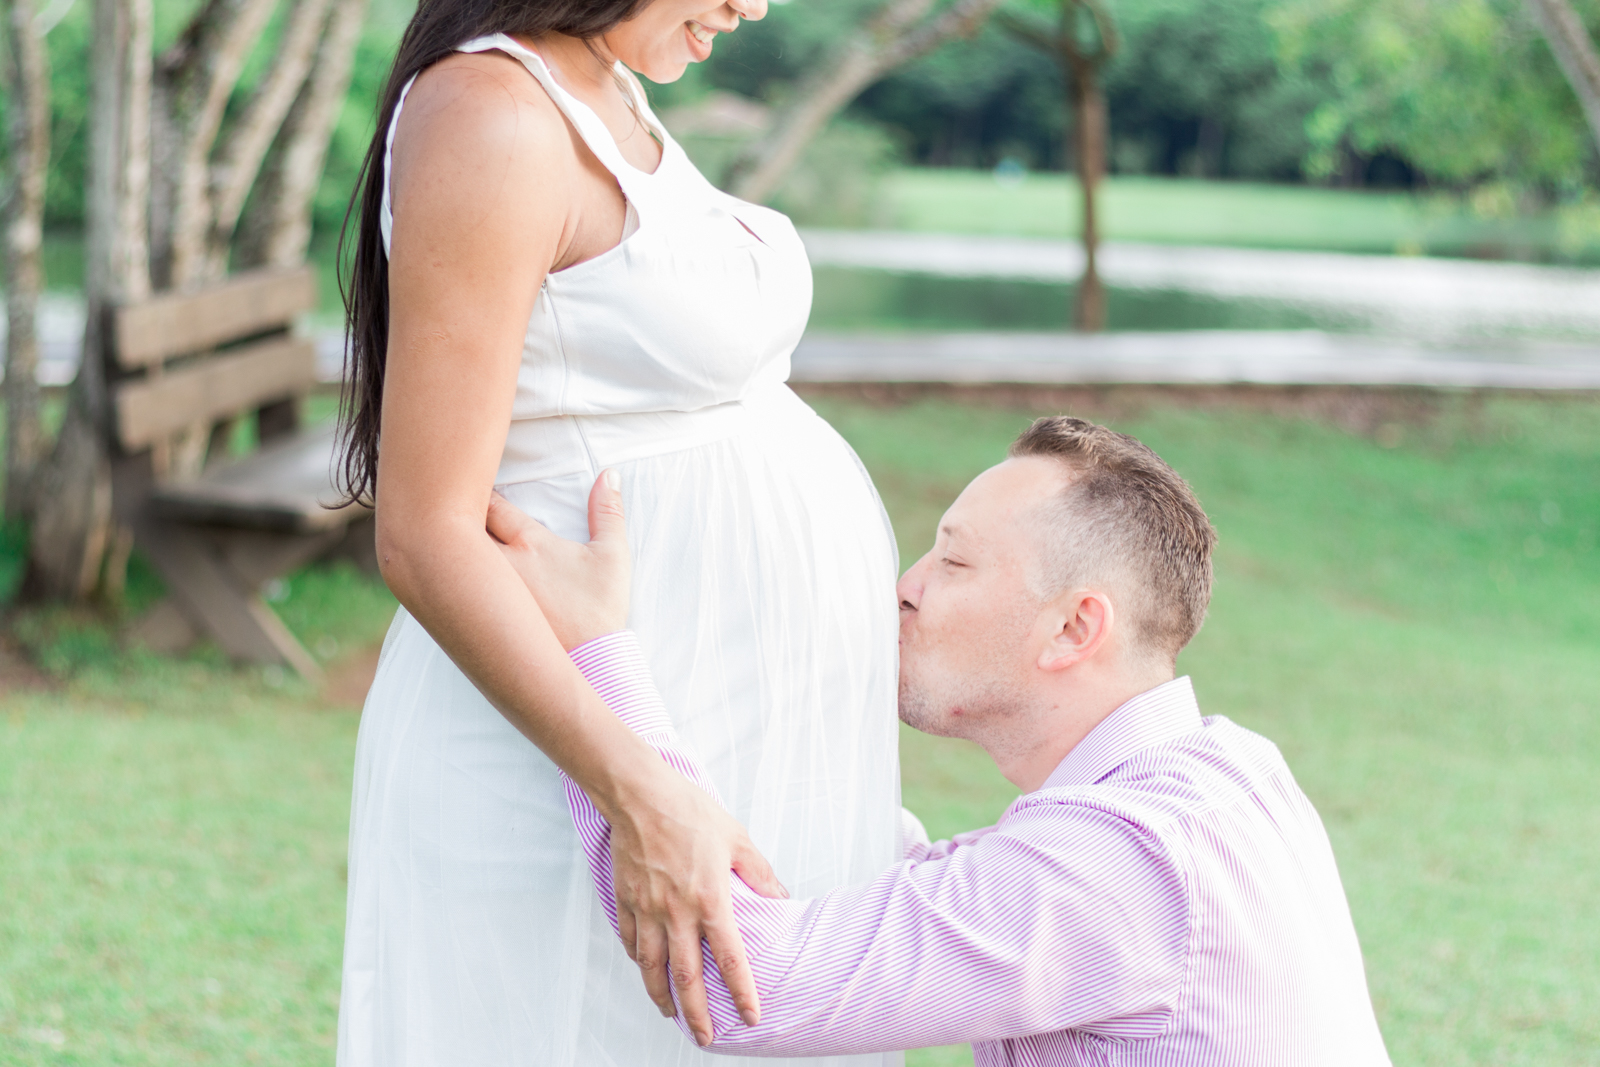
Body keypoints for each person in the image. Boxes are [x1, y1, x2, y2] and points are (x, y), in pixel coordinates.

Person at [333, 1, 904, 1064]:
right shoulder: (492, 113)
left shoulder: (611, 83)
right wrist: (637, 789)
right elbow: (425, 531)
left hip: (713, 722)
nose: (754, 6)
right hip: (581, 757)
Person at [485, 416, 1394, 1065]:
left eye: (953, 561)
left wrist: (593, 653)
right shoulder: (1231, 772)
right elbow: (958, 893)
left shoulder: (1117, 865)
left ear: (1074, 630)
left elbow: (739, 986)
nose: (905, 586)